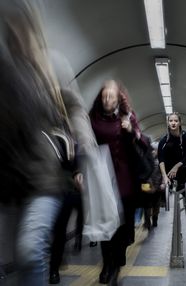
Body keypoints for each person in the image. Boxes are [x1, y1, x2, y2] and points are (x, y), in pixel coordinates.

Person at [0, 3, 76, 285]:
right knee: (22, 255)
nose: (18, 34)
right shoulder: (7, 69)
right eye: (12, 27)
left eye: (23, 28)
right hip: (10, 179)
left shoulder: (46, 71)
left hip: (44, 178)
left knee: (31, 250)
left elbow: (67, 115)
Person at [90, 80, 147, 284]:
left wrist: (131, 131)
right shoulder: (93, 118)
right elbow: (85, 143)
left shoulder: (128, 117)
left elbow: (143, 142)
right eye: (104, 96)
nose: (107, 99)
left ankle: (117, 257)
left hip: (125, 178)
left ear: (118, 98)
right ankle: (109, 264)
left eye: (111, 96)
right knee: (107, 223)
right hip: (102, 177)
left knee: (123, 227)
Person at [158, 112, 186, 191]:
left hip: (182, 169)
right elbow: (161, 159)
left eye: (176, 121)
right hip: (168, 171)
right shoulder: (163, 140)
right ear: (168, 123)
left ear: (180, 123)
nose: (173, 123)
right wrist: (164, 176)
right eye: (171, 121)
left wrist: (176, 167)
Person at [142, 141, 163, 229]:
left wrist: (162, 183)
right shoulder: (145, 160)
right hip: (147, 186)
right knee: (147, 205)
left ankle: (155, 220)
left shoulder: (161, 161)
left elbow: (163, 174)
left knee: (156, 205)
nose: (153, 152)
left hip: (157, 186)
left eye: (155, 150)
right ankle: (147, 222)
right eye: (152, 150)